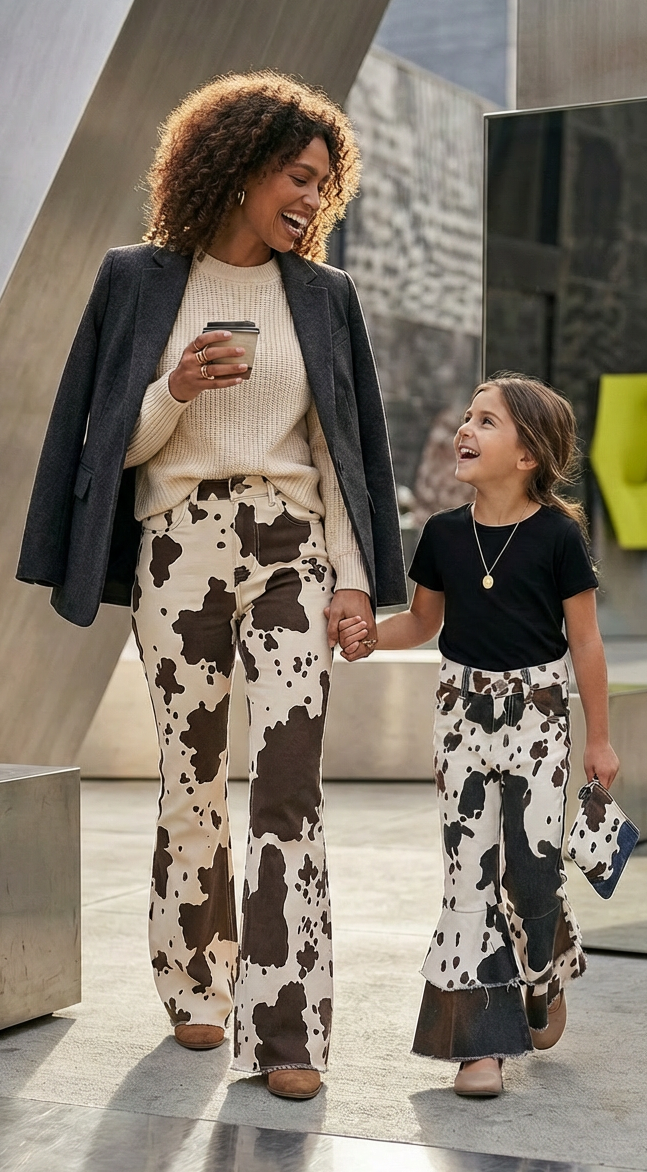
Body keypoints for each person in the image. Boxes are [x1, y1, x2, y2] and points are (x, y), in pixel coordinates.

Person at [17, 71, 406, 1100]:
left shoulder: (324, 296)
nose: (310, 202)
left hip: (289, 545)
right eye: (295, 176)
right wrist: (174, 388)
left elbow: (346, 451)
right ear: (233, 166)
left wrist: (356, 583)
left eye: (324, 187)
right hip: (175, 546)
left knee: (287, 785)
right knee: (191, 778)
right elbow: (110, 442)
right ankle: (194, 976)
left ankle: (286, 1027)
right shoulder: (138, 278)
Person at [339, 373, 619, 1097]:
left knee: (529, 870)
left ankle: (546, 960)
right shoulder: (440, 534)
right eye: (467, 417)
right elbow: (422, 624)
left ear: (527, 454)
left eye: (485, 422)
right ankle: (481, 1048)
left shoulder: (557, 534)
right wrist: (370, 636)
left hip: (538, 722)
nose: (464, 429)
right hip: (460, 720)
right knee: (467, 874)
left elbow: (585, 643)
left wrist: (598, 740)